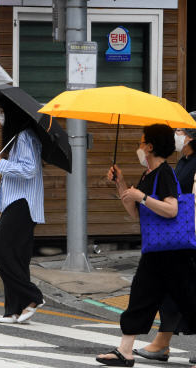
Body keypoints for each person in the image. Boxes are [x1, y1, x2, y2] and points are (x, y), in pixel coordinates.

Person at [97, 123, 196, 367]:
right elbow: (136, 214)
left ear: (150, 147)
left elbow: (172, 209)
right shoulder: (148, 174)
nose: (139, 148)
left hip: (174, 252)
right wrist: (121, 184)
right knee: (141, 298)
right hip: (155, 250)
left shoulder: (164, 172)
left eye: (141, 143)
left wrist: (141, 196)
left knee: (190, 301)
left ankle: (126, 350)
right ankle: (125, 351)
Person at [134, 122, 196, 364]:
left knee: (186, 292)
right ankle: (162, 343)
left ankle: (161, 343)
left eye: (181, 132)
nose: (177, 136)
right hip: (181, 236)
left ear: (192, 136)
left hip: (190, 234)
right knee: (175, 292)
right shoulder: (181, 163)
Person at [0, 100, 45, 324]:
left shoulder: (24, 136)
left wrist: (1, 163)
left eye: (2, 112)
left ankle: (33, 297)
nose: (0, 116)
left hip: (22, 203)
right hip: (17, 203)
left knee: (1, 253)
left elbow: (29, 170)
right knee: (17, 258)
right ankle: (14, 309)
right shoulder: (19, 137)